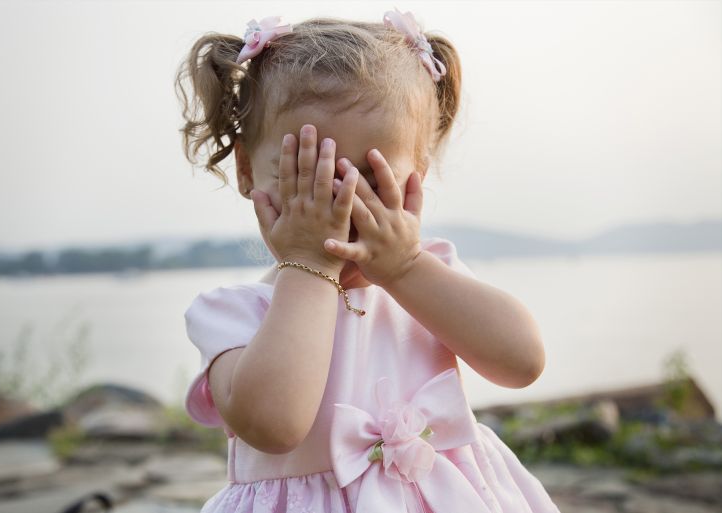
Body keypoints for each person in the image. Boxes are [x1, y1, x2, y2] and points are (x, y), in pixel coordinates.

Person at [175, 8, 561, 513]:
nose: (343, 202)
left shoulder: (429, 281)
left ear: (418, 171)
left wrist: (404, 269)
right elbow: (276, 426)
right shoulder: (234, 314)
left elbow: (523, 363)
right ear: (247, 170)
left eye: (372, 178)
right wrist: (308, 266)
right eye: (309, 176)